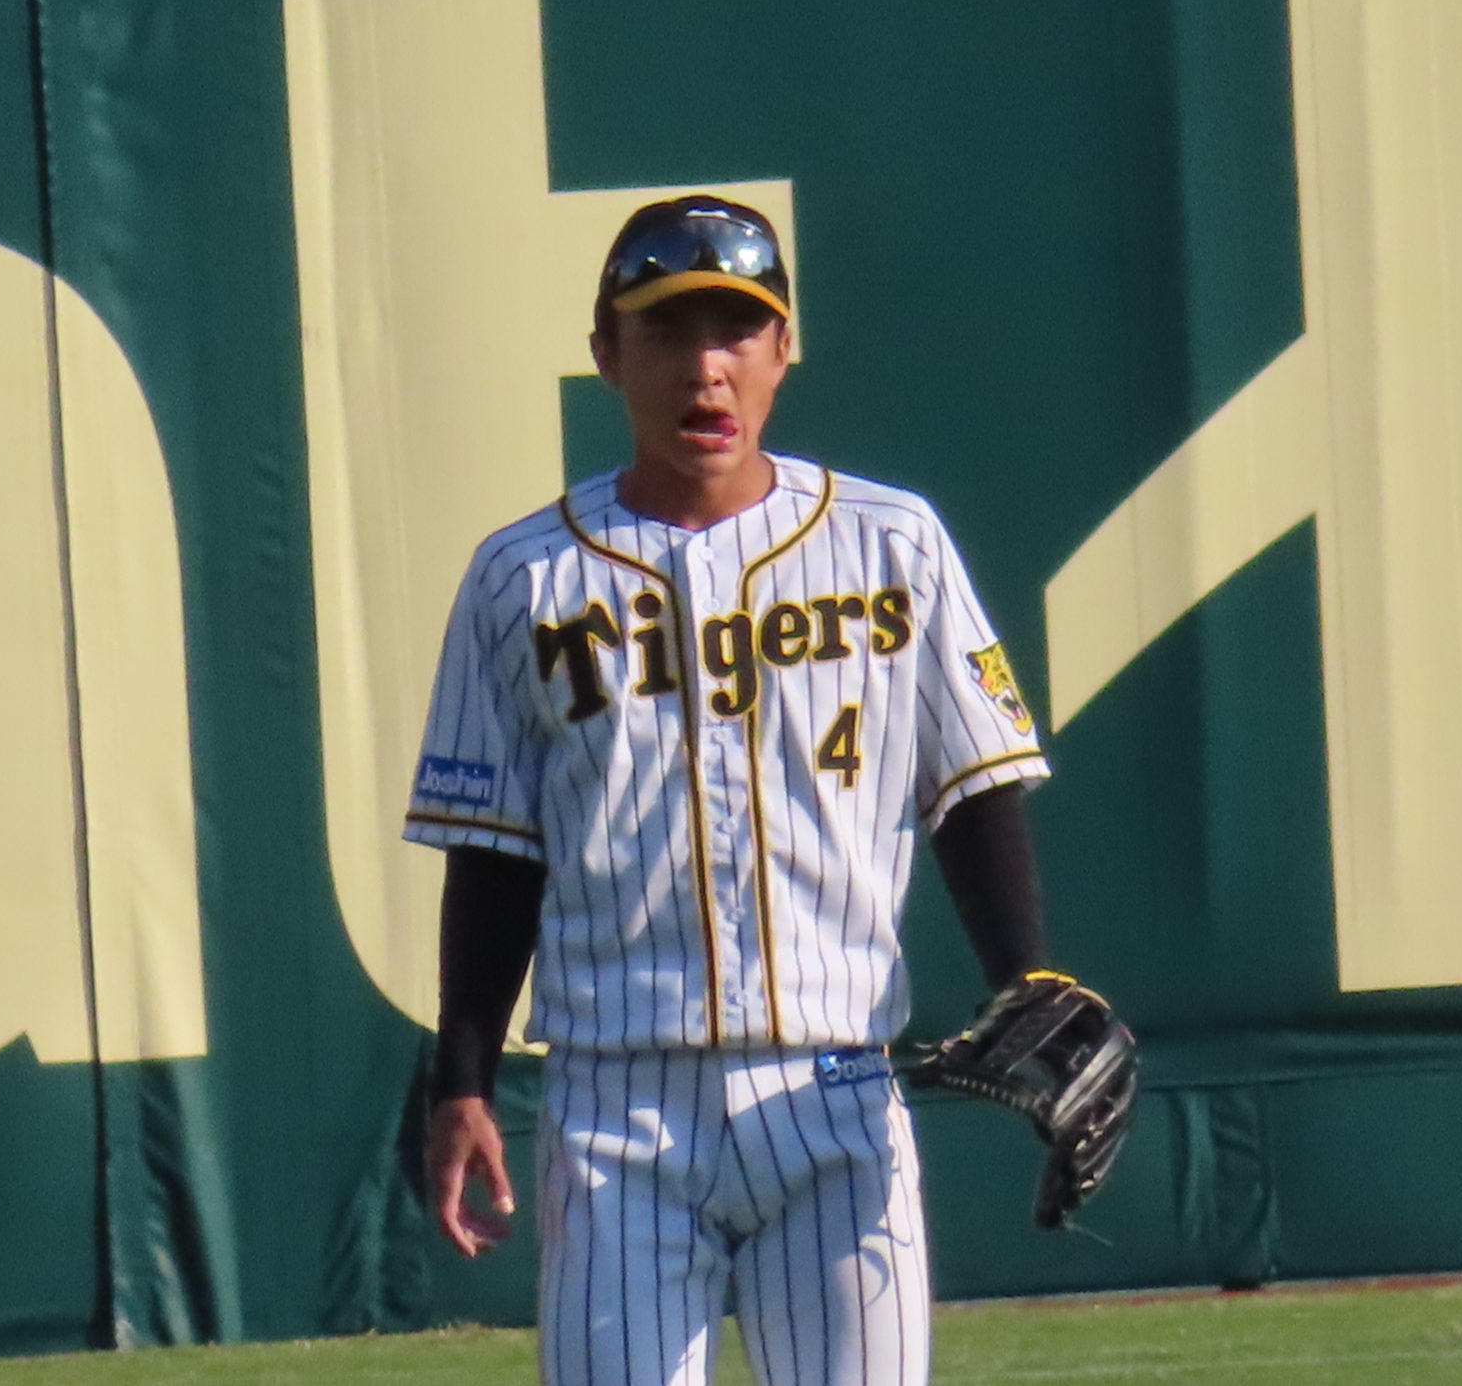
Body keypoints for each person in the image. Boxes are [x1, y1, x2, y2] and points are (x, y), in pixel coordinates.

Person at [404, 196, 1055, 1386]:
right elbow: (494, 853)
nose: (706, 367)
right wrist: (463, 1078)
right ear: (606, 353)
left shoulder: (891, 542)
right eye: (667, 331)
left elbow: (970, 788)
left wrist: (1025, 976)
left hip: (836, 1085)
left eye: (736, 329)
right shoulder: (523, 577)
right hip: (616, 1105)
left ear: (783, 347)